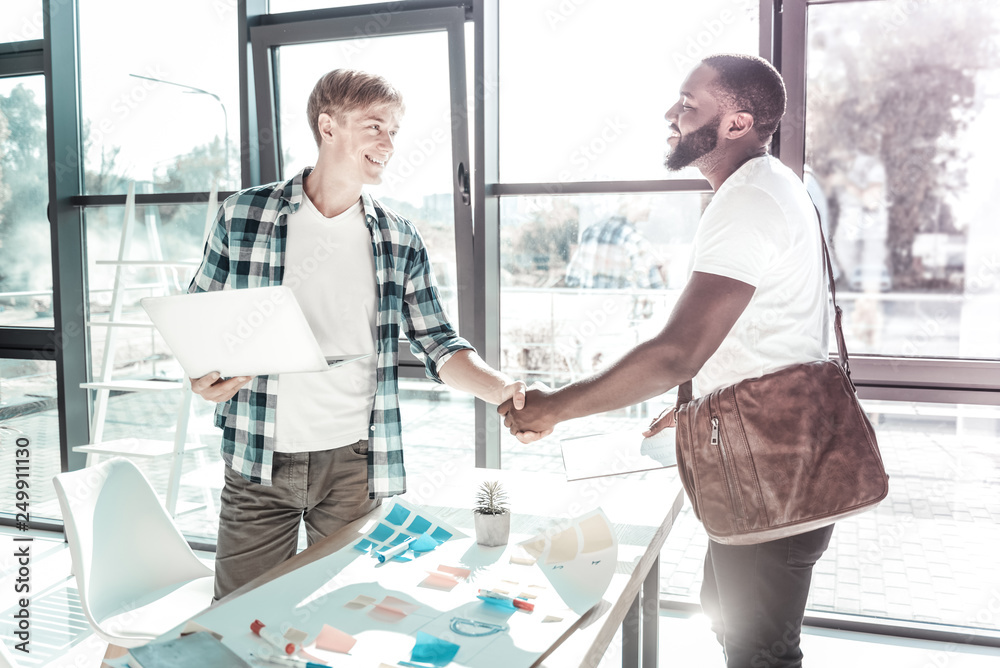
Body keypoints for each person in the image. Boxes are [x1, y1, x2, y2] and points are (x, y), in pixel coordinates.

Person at [500, 54, 832, 668]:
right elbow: (752, 334)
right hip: (766, 462)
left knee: (761, 651)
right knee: (730, 618)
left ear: (737, 123)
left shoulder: (748, 201)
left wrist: (552, 409)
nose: (670, 115)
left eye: (688, 104)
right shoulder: (766, 188)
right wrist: (692, 402)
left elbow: (678, 350)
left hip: (772, 473)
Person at [188, 69, 529, 601]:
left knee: (346, 615)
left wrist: (503, 391)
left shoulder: (398, 236)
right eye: (376, 127)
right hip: (258, 458)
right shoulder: (243, 216)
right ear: (328, 126)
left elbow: (438, 341)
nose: (390, 144)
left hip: (354, 466)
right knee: (237, 620)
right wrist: (205, 372)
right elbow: (200, 316)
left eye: (394, 130)